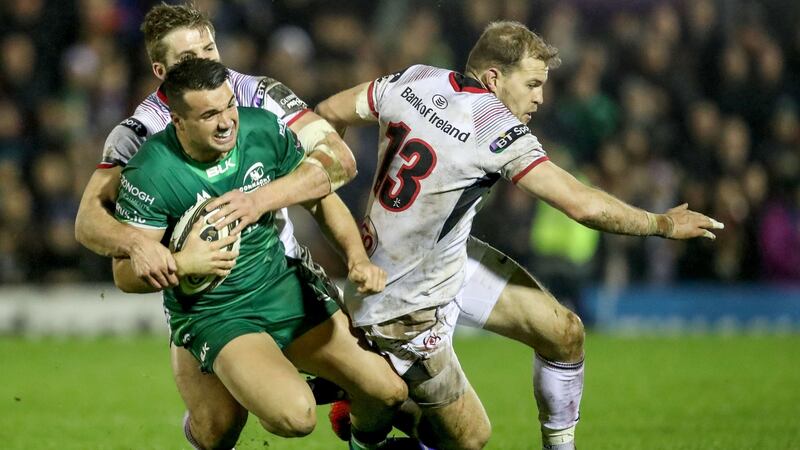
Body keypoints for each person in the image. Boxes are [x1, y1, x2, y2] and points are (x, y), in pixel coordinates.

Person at [315, 21, 724, 450]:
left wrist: (330, 197)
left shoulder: (417, 77)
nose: (540, 97)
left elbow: (326, 114)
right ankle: (363, 407)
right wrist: (662, 224)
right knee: (469, 439)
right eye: (531, 84)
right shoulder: (496, 130)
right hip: (400, 305)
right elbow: (581, 204)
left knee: (564, 333)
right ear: (494, 78)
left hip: (448, 260)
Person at [73, 3, 358, 447]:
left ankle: (347, 416)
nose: (206, 61)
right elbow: (88, 220)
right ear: (160, 69)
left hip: (282, 272)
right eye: (189, 58)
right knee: (217, 429)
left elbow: (338, 160)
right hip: (206, 294)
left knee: (391, 387)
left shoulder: (261, 94)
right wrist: (139, 244)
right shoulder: (138, 132)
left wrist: (259, 200)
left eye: (210, 47)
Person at [112, 58, 407, 450]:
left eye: (228, 106)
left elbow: (319, 197)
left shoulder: (260, 128)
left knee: (388, 393)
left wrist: (356, 257)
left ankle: (357, 441)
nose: (225, 122)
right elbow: (124, 275)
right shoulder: (151, 173)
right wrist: (184, 264)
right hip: (218, 312)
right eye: (209, 114)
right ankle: (234, 381)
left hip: (281, 286)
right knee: (293, 417)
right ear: (178, 121)